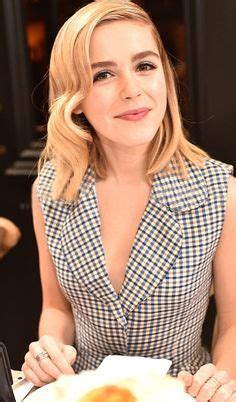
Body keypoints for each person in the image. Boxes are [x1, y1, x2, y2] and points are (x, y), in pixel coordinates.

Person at [22, 1, 236, 400]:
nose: (132, 90)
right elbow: (57, 307)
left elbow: (234, 320)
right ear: (75, 98)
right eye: (103, 74)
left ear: (166, 78)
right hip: (83, 393)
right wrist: (50, 348)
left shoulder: (218, 190)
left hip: (183, 393)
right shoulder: (49, 190)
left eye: (145, 66)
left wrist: (221, 379)